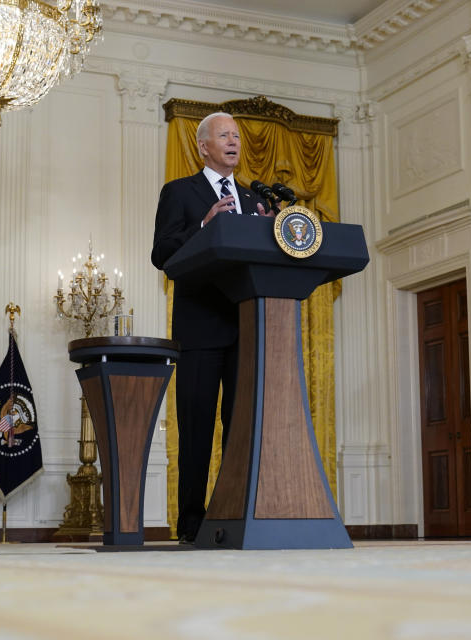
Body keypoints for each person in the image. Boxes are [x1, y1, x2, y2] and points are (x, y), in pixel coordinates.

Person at [151, 112, 275, 543]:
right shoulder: (180, 192)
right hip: (200, 326)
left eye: (237, 136)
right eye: (224, 135)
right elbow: (162, 252)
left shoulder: (251, 198)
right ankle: (191, 522)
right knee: (198, 427)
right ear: (203, 146)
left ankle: (236, 514)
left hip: (247, 327)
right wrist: (204, 225)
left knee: (240, 427)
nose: (234, 141)